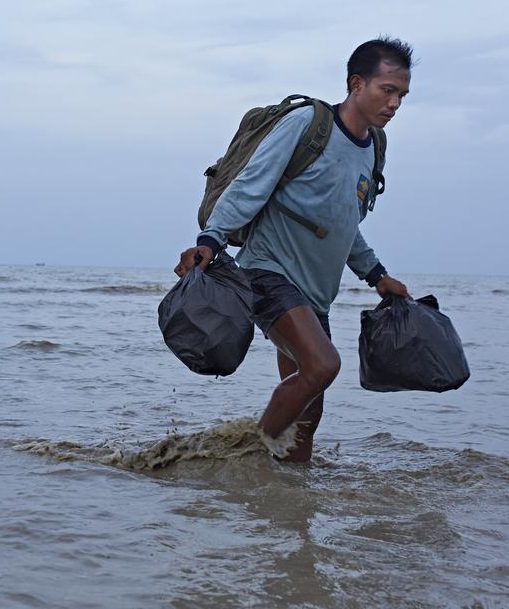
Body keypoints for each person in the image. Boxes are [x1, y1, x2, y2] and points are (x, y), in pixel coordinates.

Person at [174, 37, 413, 463]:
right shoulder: (308, 124)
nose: (394, 103)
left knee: (308, 416)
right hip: (269, 273)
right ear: (356, 84)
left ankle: (289, 506)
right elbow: (251, 183)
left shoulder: (372, 148)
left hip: (314, 295)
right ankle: (241, 456)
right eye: (387, 90)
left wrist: (377, 276)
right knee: (323, 366)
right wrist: (210, 240)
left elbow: (344, 224)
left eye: (402, 95)